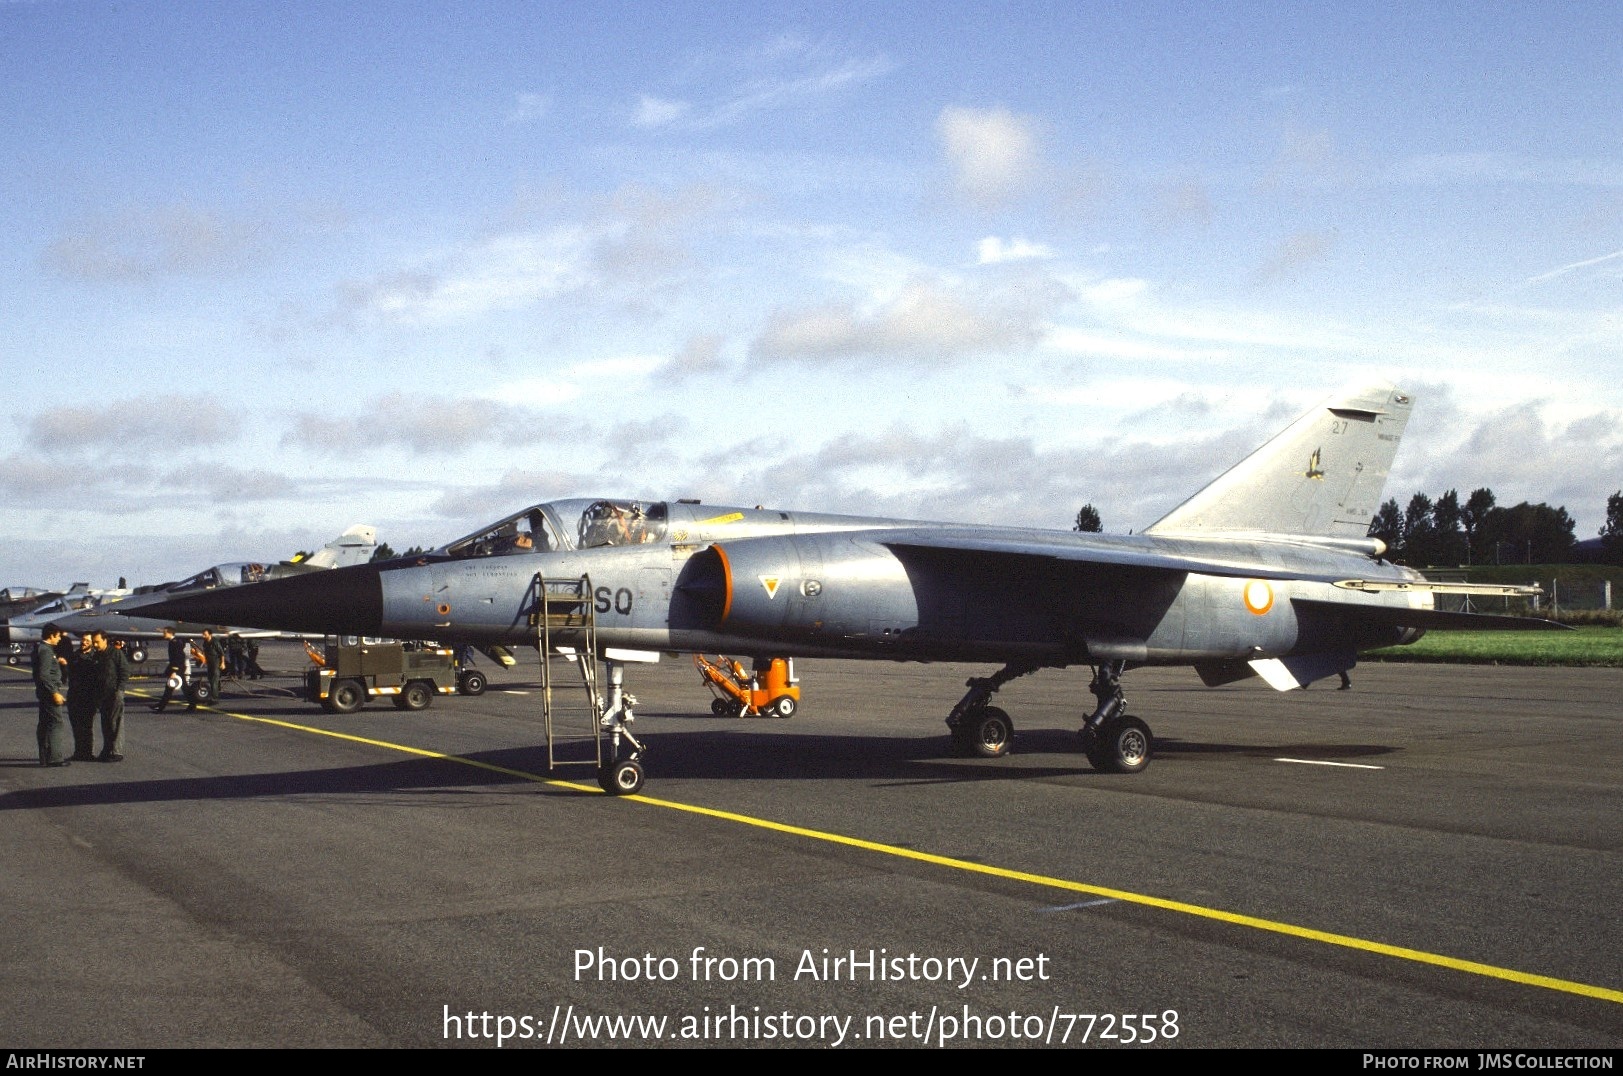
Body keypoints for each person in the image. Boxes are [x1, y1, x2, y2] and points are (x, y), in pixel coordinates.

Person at [34, 627, 71, 767]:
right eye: (58, 636)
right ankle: (55, 758)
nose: (60, 638)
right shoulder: (45, 651)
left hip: (44, 692)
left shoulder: (42, 649)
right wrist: (54, 692)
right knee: (56, 723)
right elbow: (44, 675)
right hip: (49, 694)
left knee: (44, 723)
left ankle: (45, 757)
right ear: (51, 635)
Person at [94, 632, 127, 761]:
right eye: (94, 642)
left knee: (115, 723)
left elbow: (125, 671)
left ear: (105, 640)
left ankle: (116, 752)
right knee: (106, 723)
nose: (95, 644)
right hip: (103, 694)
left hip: (114, 693)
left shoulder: (115, 653)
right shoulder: (97, 655)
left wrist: (119, 690)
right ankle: (107, 750)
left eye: (97, 642)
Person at [66, 633, 100, 761]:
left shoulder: (95, 657)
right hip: (75, 695)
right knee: (76, 725)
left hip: (89, 696)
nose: (83, 642)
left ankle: (88, 752)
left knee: (87, 726)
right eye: (83, 640)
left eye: (86, 640)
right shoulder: (74, 656)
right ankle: (79, 751)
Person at [151, 626, 188, 712]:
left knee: (171, 688)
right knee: (181, 688)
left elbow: (178, 657)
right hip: (177, 668)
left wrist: (174, 671)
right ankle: (160, 706)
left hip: (177, 669)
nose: (163, 634)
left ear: (170, 633)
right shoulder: (173, 642)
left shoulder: (175, 643)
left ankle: (161, 706)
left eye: (165, 632)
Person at [192, 628, 224, 709]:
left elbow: (221, 653)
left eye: (205, 634)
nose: (203, 636)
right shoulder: (205, 642)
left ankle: (214, 698)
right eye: (203, 634)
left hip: (216, 662)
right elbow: (204, 652)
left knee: (214, 680)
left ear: (210, 634)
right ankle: (213, 695)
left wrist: (223, 663)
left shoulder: (215, 642)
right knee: (210, 678)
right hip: (209, 663)